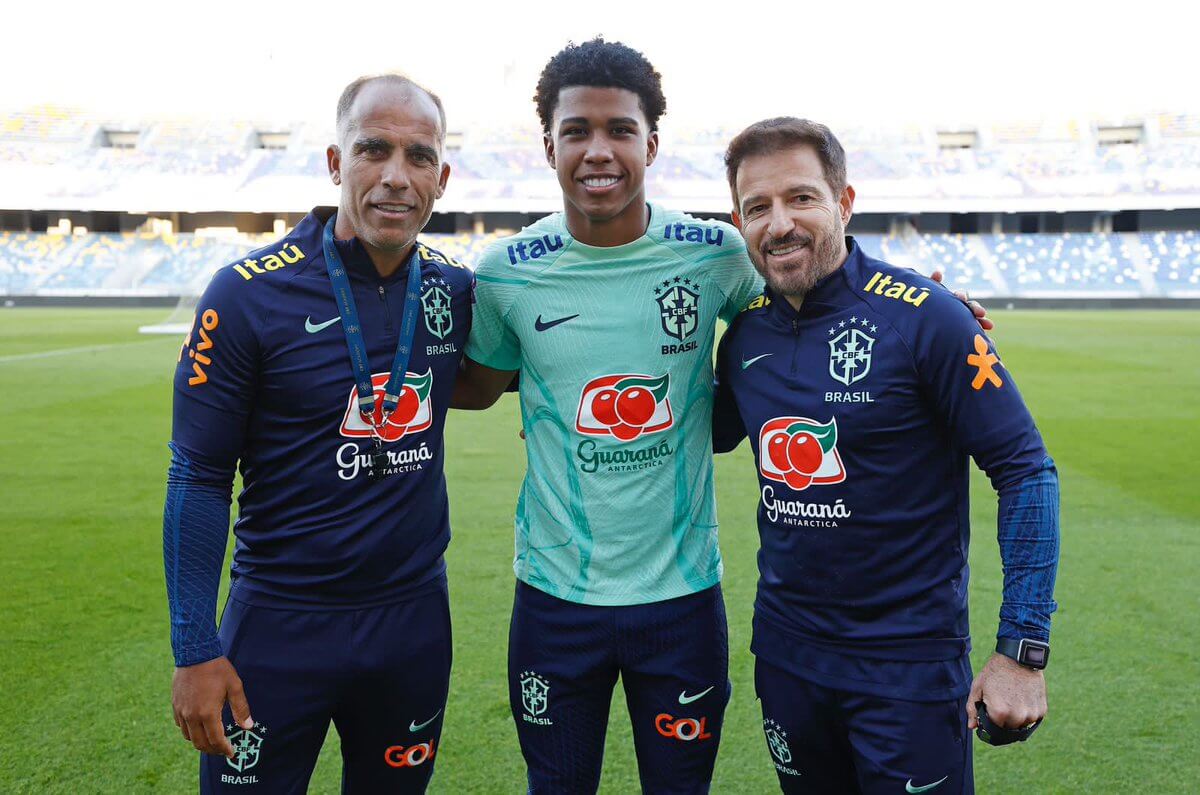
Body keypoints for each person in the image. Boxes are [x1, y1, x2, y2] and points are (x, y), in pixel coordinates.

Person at [450, 40, 988, 793]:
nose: (598, 150)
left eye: (620, 130)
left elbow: (811, 303)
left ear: (652, 144)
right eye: (577, 131)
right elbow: (481, 381)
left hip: (681, 601)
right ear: (549, 145)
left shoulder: (717, 253)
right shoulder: (508, 270)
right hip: (553, 598)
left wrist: (923, 306)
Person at [712, 117, 1060, 793]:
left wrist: (1022, 648)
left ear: (843, 202)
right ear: (739, 221)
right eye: (759, 207)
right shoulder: (745, 335)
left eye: (801, 198)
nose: (780, 222)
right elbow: (698, 430)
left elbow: (1025, 468)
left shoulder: (926, 317)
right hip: (786, 659)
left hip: (908, 669)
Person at [163, 74, 471, 793]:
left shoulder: (455, 291)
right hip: (278, 625)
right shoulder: (246, 293)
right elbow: (198, 477)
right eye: (373, 150)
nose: (396, 176)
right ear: (336, 163)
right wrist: (193, 647)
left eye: (419, 157)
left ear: (442, 177)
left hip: (413, 624)